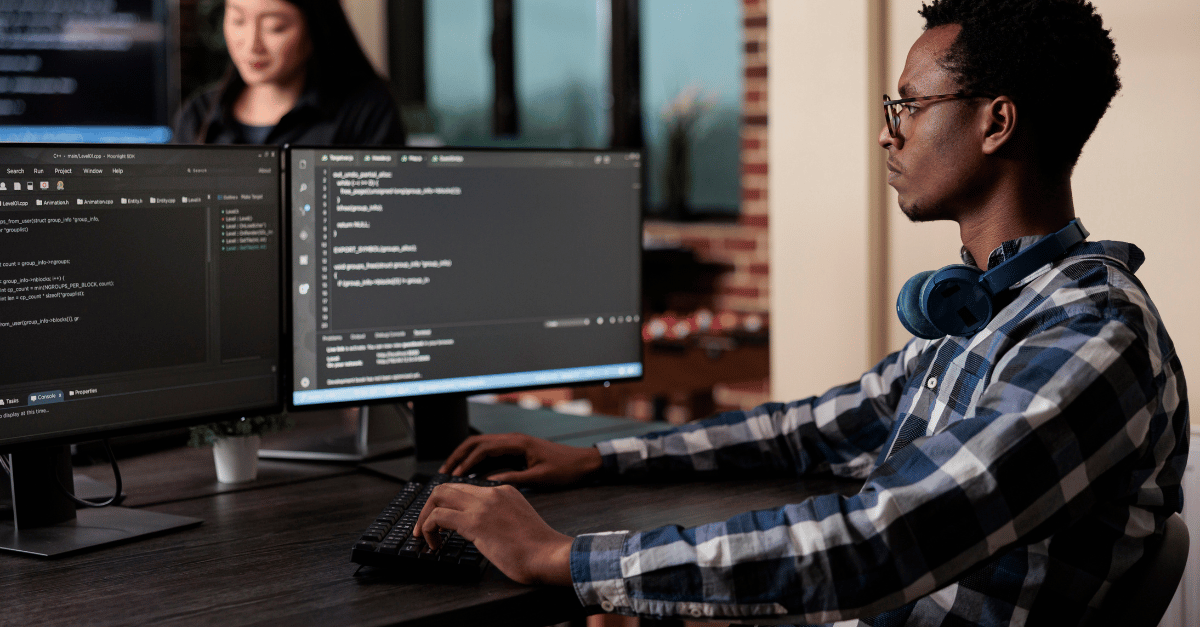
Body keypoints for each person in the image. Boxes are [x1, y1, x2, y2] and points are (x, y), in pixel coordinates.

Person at [412, 1, 1190, 625]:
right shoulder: (990, 307)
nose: (889, 131)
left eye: (910, 105)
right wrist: (601, 458)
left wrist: (566, 557)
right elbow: (810, 427)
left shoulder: (1091, 336)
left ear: (995, 122)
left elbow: (880, 542)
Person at [173, 0, 405, 145]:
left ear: (314, 29)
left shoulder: (365, 113)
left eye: (275, 27)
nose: (253, 45)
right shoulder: (197, 115)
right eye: (238, 20)